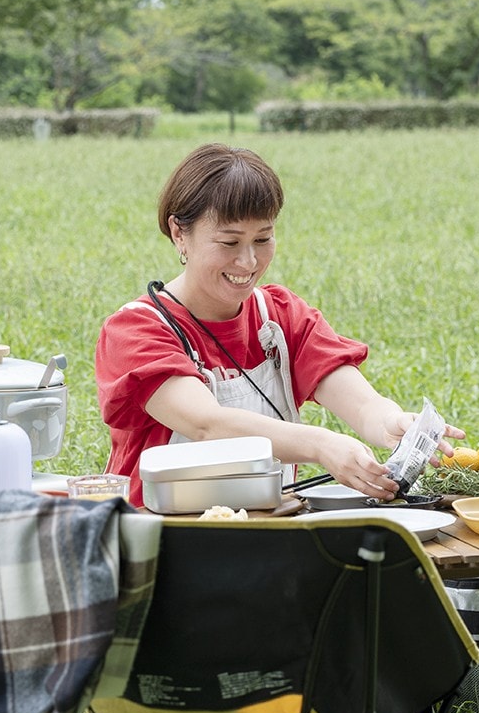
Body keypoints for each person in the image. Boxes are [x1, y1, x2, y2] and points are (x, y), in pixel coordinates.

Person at [96, 143, 460, 506]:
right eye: (229, 242)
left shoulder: (280, 316)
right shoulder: (137, 330)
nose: (248, 261)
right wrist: (321, 444)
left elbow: (363, 405)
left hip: (269, 524)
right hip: (159, 529)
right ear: (179, 233)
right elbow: (208, 424)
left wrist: (391, 422)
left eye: (262, 239)